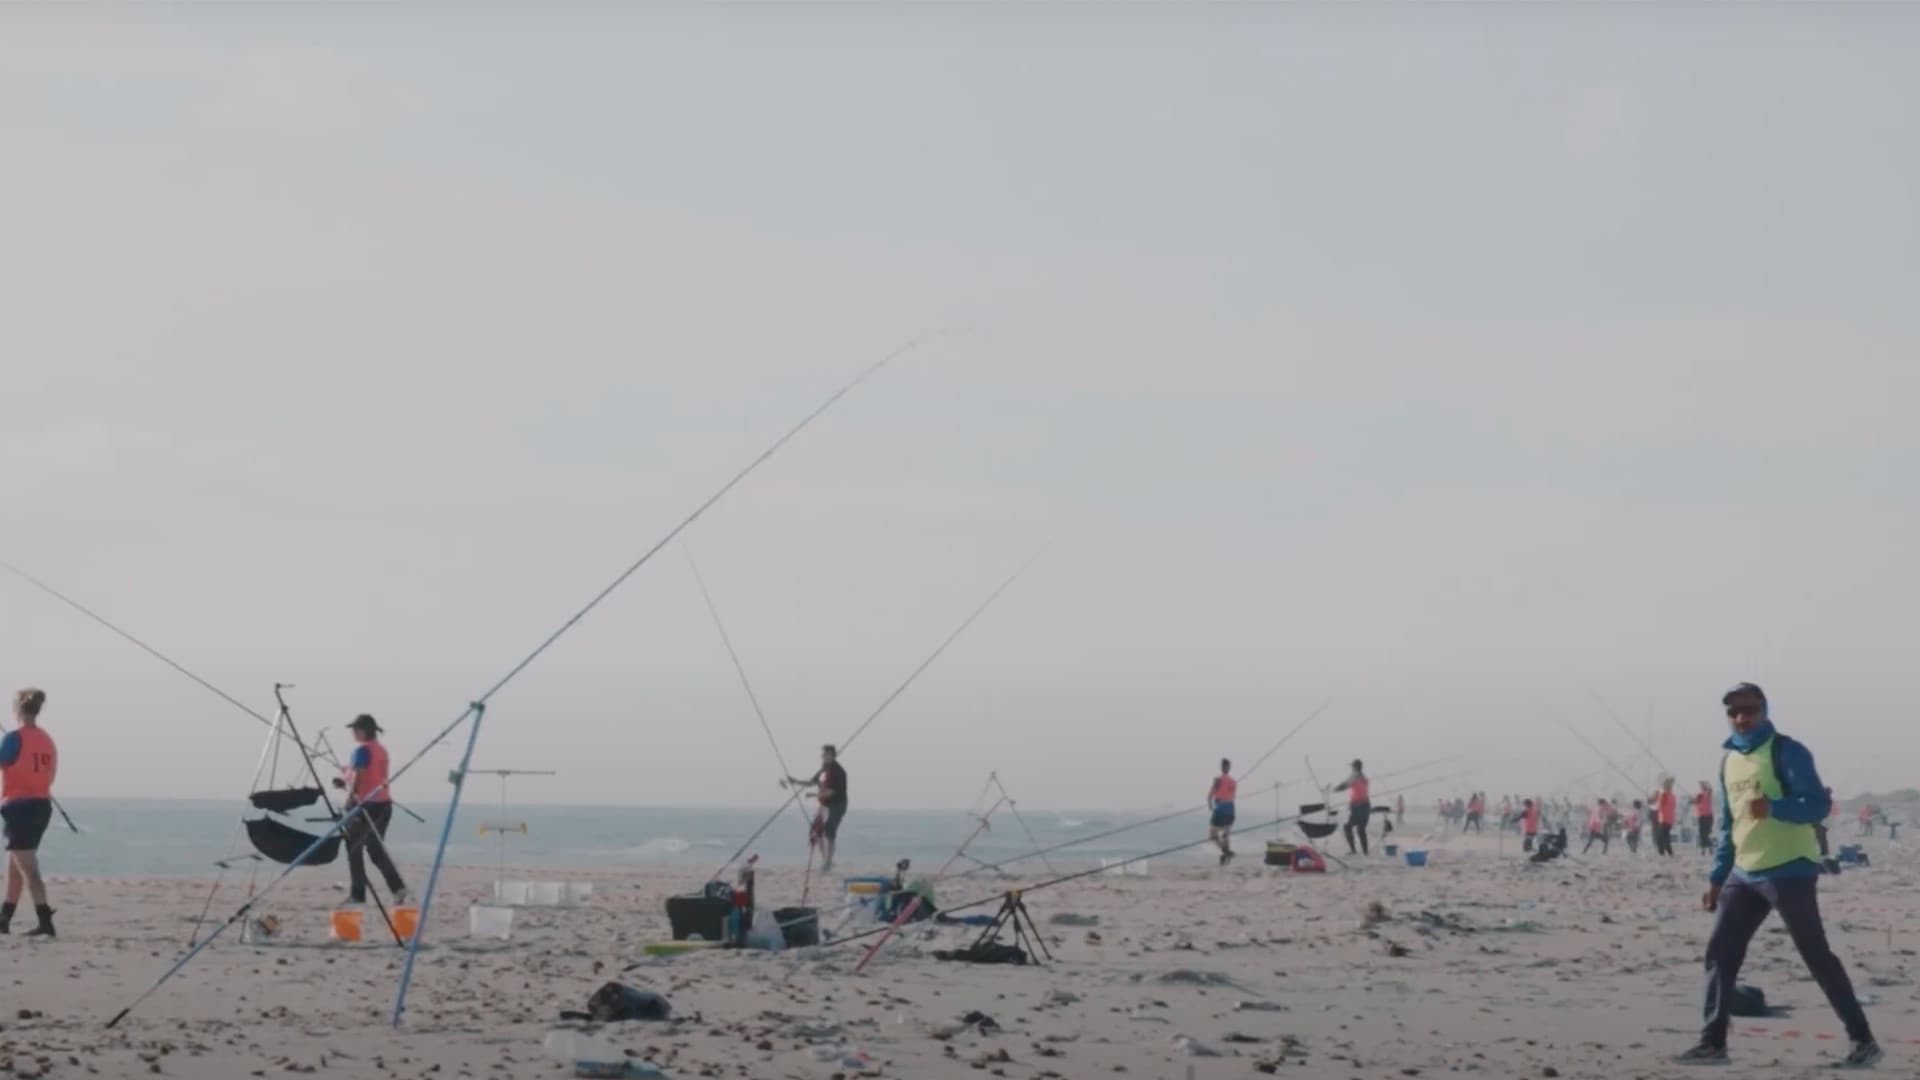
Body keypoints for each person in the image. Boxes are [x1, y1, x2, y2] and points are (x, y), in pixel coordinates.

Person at [1674, 683, 1880, 1068]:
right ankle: (1712, 1043)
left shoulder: (1787, 750)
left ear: (1764, 710)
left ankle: (1863, 1040)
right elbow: (1728, 825)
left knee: (1815, 955)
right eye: (1733, 712)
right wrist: (1717, 877)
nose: (1741, 718)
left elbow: (1818, 806)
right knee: (1720, 954)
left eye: (1749, 710)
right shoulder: (1728, 761)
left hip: (1790, 870)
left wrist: (1774, 807)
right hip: (1744, 872)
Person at [0, 688, 57, 937]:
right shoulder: (47, 740)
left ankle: (45, 920)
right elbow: (50, 775)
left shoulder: (14, 738)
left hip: (20, 806)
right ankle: (4, 918)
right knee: (16, 865)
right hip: (41, 806)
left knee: (29, 868)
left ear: (17, 710)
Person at [339, 714, 408, 907]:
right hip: (384, 805)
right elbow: (369, 776)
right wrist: (345, 779)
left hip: (366, 807)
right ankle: (397, 888)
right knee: (375, 849)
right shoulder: (381, 750)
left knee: (353, 847)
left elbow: (359, 778)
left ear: (363, 731)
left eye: (355, 729)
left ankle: (358, 893)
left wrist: (350, 798)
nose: (353, 733)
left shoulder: (361, 750)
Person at [787, 744, 849, 873]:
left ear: (832, 756)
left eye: (825, 754)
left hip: (838, 805)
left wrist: (815, 795)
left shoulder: (839, 772)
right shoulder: (824, 769)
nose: (822, 757)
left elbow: (832, 792)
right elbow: (812, 782)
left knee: (829, 833)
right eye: (823, 754)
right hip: (826, 804)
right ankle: (825, 859)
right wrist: (795, 781)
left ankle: (828, 862)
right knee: (815, 832)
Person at [1334, 760, 1372, 856]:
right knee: (1361, 829)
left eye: (1352, 767)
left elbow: (1344, 785)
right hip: (1366, 805)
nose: (1351, 768)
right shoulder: (1364, 777)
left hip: (1358, 806)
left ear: (1355, 767)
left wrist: (1334, 789)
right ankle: (1365, 852)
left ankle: (1353, 850)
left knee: (1347, 827)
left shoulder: (1355, 776)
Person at [1207, 759, 1237, 866]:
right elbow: (1232, 797)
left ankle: (1226, 853)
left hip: (1221, 811)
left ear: (1221, 768)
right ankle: (1226, 856)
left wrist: (1211, 806)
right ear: (1229, 768)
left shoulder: (1218, 780)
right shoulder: (1233, 781)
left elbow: (1210, 796)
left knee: (1213, 836)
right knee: (1226, 836)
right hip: (1231, 811)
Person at [1654, 778, 1679, 857]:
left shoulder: (1664, 794)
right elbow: (1673, 806)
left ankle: (1664, 853)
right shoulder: (1673, 796)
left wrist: (1657, 798)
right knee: (1665, 836)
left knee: (1660, 837)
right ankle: (1668, 852)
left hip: (1663, 819)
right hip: (1670, 819)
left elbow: (1660, 806)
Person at [1694, 781, 1716, 854]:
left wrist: (1706, 784)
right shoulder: (1700, 795)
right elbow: (1694, 801)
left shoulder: (1706, 794)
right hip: (1704, 817)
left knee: (1705, 833)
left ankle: (1707, 848)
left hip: (1706, 817)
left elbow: (1710, 789)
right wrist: (1691, 800)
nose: (1702, 787)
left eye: (1703, 786)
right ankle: (1705, 848)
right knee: (1703, 834)